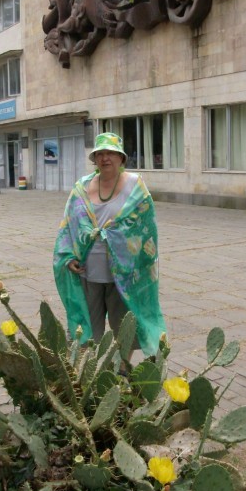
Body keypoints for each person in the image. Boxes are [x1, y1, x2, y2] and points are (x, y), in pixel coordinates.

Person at [53, 132, 166, 357]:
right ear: (94, 159)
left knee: (123, 330)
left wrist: (118, 237)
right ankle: (89, 375)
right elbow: (68, 227)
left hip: (123, 276)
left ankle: (123, 371)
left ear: (121, 158)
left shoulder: (135, 186)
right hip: (88, 272)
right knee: (87, 331)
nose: (105, 158)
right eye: (100, 154)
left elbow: (146, 228)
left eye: (111, 153)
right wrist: (68, 257)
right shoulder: (81, 188)